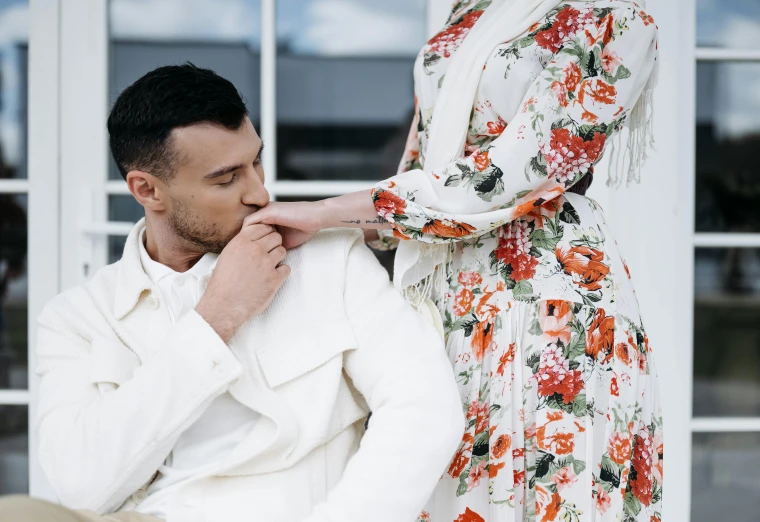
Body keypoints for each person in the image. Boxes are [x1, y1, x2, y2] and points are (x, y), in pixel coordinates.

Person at [243, 1, 663, 521]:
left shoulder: (613, 19)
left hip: (541, 291)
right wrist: (338, 227)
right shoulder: (471, 9)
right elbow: (423, 168)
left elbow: (516, 170)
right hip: (445, 289)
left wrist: (326, 212)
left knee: (539, 481)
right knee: (439, 463)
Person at [0, 63, 465, 522]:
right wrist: (215, 317)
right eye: (225, 179)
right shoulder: (78, 317)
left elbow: (423, 410)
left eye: (256, 161)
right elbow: (82, 485)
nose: (259, 193)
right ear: (146, 189)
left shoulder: (328, 261)